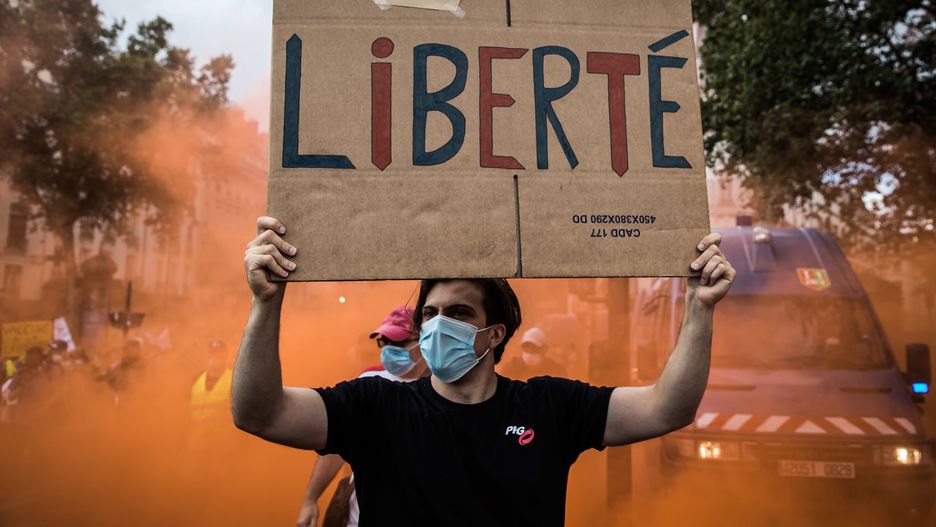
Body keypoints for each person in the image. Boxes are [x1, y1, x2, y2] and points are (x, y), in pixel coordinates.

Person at [233, 216, 735, 526]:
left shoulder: (550, 406)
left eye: (459, 314)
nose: (437, 326)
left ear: (494, 335)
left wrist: (700, 306)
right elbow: (259, 412)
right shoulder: (376, 406)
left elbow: (669, 407)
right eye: (429, 314)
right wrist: (266, 302)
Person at [297, 306, 429, 527]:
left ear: (425, 341)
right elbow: (336, 447)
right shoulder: (370, 380)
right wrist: (310, 498)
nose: (388, 349)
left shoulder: (448, 389)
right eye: (384, 342)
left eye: (398, 342)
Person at [500, 327, 566, 379]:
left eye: (534, 347)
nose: (529, 351)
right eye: (526, 347)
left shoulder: (555, 371)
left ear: (544, 349)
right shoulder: (511, 368)